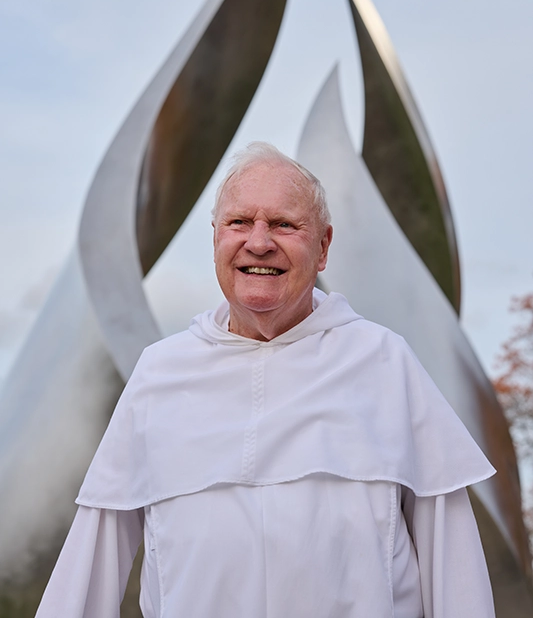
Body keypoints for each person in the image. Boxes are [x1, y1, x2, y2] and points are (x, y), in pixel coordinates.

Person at [35, 142, 496, 617]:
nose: (259, 242)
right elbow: (90, 563)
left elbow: (454, 564)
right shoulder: (159, 374)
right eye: (239, 222)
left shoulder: (385, 364)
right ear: (215, 239)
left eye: (284, 224)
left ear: (323, 247)